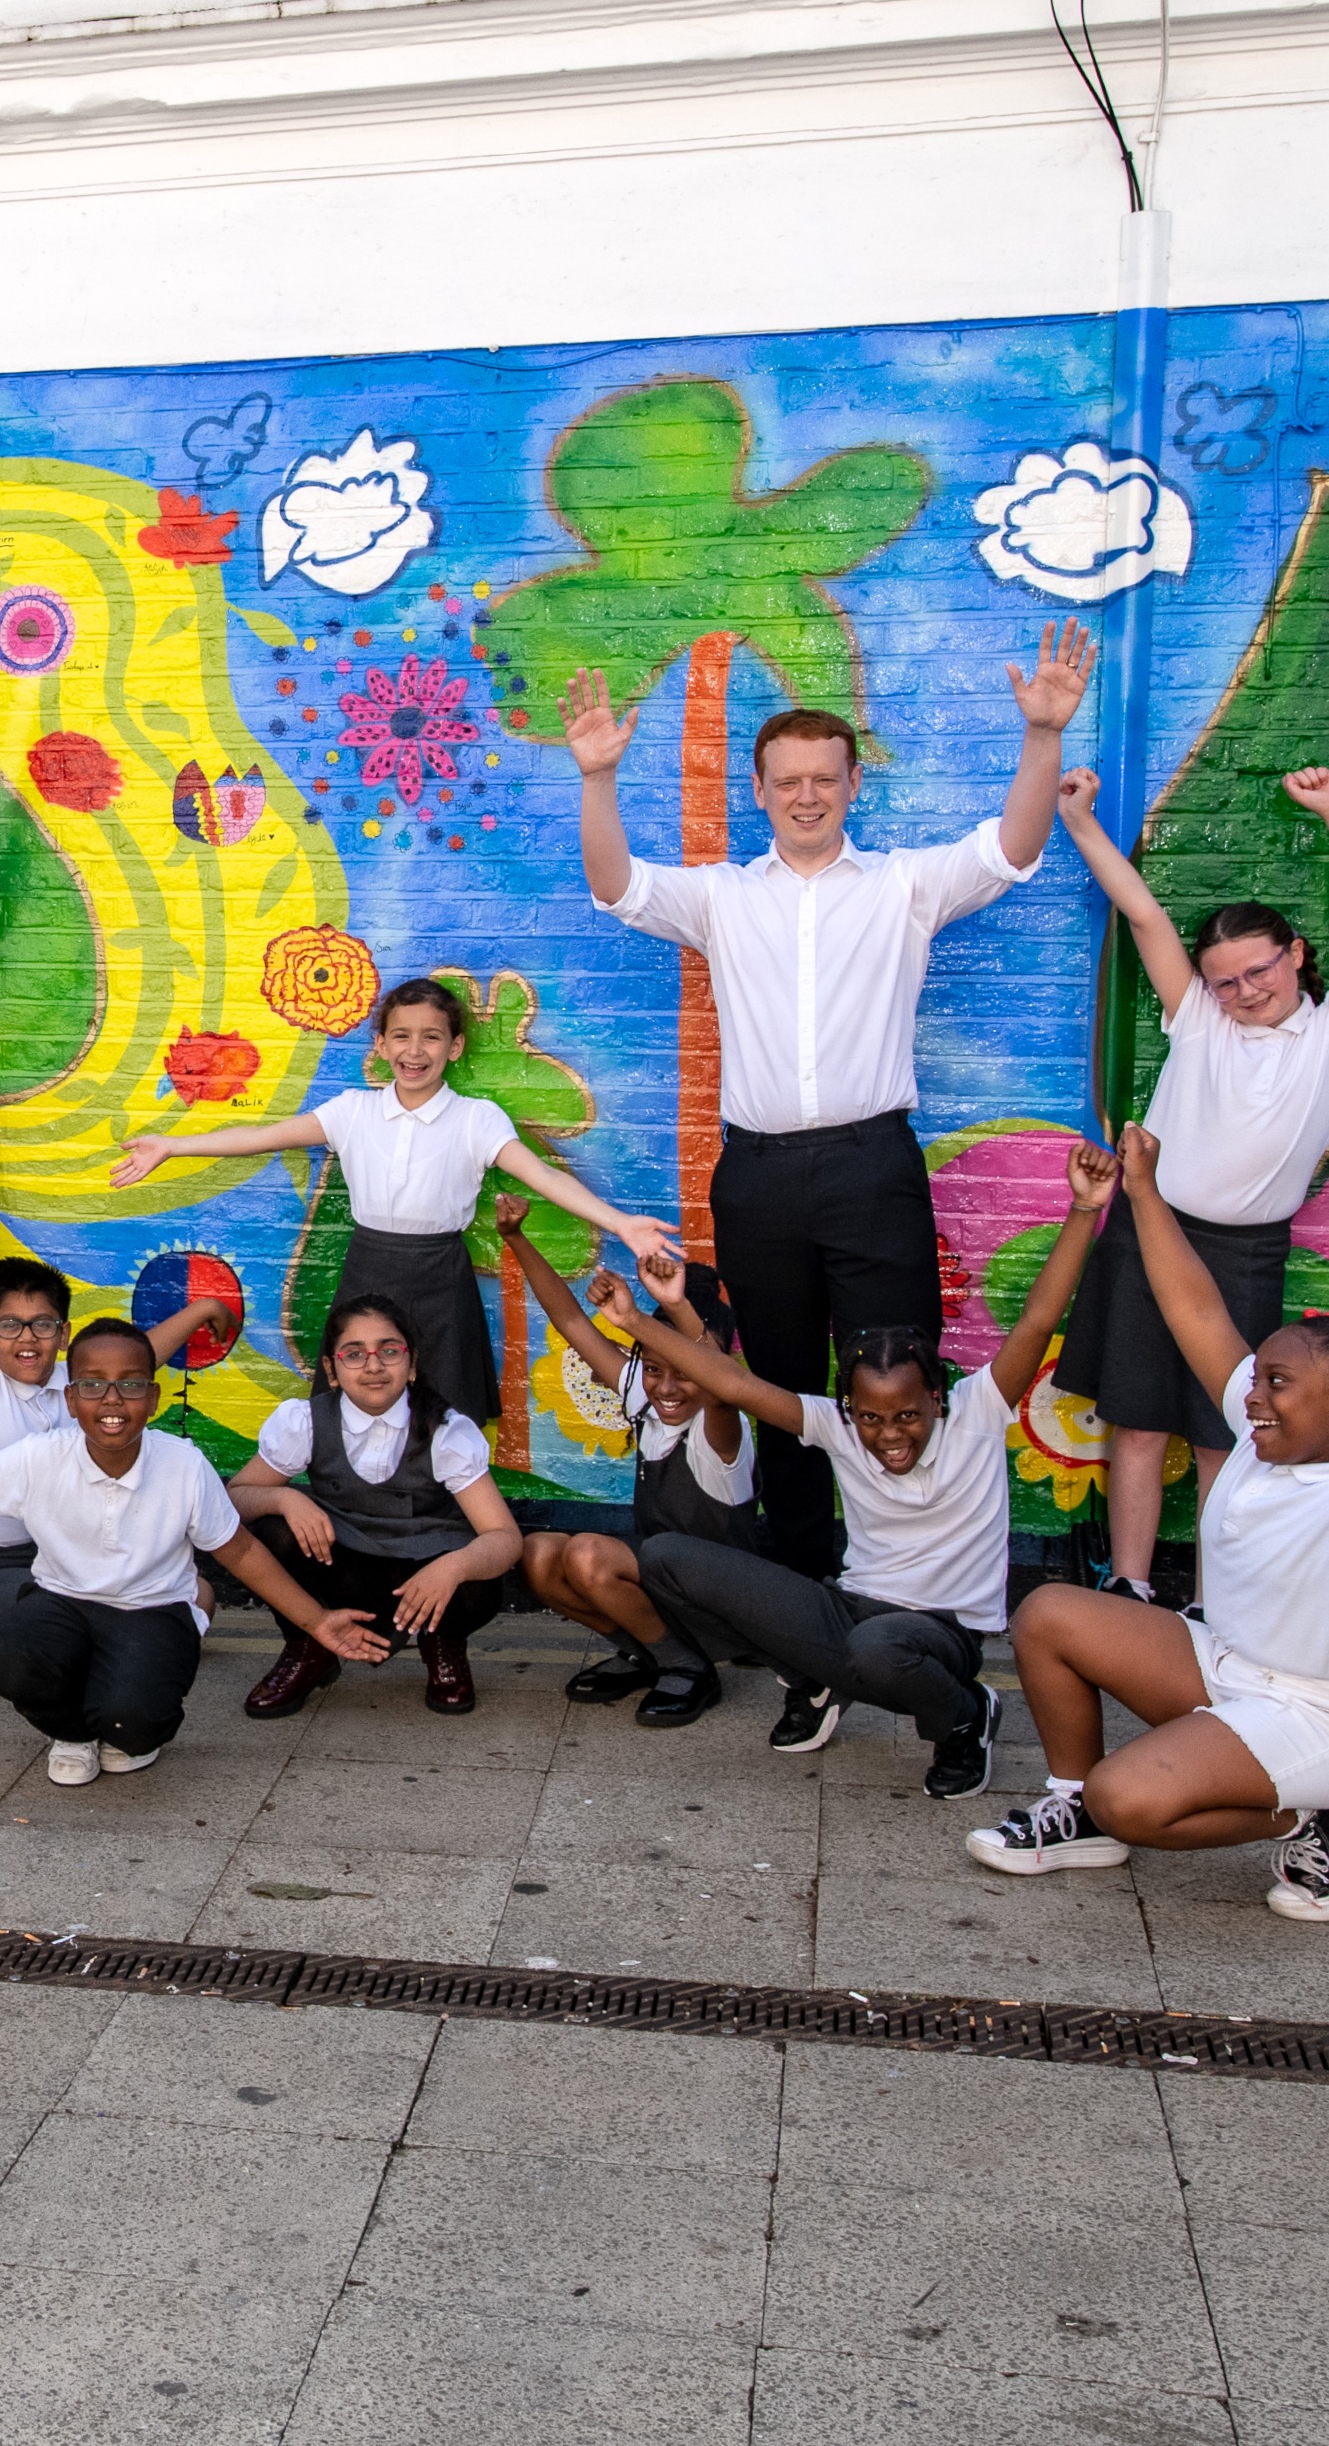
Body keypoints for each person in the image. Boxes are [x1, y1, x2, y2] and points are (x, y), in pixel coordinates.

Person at [564, 623, 1090, 1577]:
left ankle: (916, 1576)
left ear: (853, 786)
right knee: (777, 1385)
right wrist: (598, 777)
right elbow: (616, 887)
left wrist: (1043, 734)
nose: (806, 794)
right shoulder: (722, 896)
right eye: (787, 780)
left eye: (825, 777)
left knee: (898, 1374)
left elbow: (1011, 849)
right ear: (759, 791)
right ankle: (803, 1579)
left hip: (871, 1166)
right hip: (756, 1177)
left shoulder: (902, 885)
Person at [968, 1127, 1329, 1921]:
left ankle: (1317, 1813)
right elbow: (1194, 1305)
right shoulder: (1266, 1435)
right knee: (1047, 1614)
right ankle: (1074, 1811)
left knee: (1132, 1798)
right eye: (1257, 1378)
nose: (1253, 1394)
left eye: (1277, 1383)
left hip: (1325, 1716)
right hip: (1229, 1666)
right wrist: (1143, 1189)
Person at [603, 1138, 1119, 1801]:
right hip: (853, 1609)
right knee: (670, 1556)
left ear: (935, 1396)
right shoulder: (837, 1426)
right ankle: (818, 1679)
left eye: (905, 1415)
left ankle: (963, 1717)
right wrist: (636, 1321)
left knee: (878, 1649)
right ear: (850, 1407)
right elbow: (731, 1385)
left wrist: (1082, 1208)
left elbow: (1040, 1315)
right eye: (870, 1417)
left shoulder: (978, 1410)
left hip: (939, 1631)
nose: (887, 1435)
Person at [1048, 764, 1329, 1599]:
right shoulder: (1200, 1018)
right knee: (1134, 1421)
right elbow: (1140, 914)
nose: (1243, 992)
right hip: (1148, 1233)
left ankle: (1214, 1596)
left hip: (1242, 1254)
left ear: (1296, 954)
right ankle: (1127, 1586)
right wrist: (1081, 823)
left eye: (1259, 972)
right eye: (1225, 981)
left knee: (1225, 1431)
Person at [0, 1320, 386, 1787]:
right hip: (63, 1604)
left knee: (133, 1720)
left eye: (130, 1384)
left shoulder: (182, 1465)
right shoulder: (42, 1457)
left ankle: (139, 1710)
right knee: (11, 1650)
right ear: (71, 1399)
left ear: (151, 1398)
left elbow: (243, 1552)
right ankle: (70, 1732)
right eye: (93, 1384)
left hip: (152, 1610)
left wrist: (318, 1622)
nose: (112, 1399)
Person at [112, 975, 678, 1421]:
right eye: (401, 1036)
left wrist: (621, 1222)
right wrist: (172, 1145)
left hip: (441, 1273)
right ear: (381, 1046)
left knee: (441, 1409)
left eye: (431, 1037)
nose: (415, 1051)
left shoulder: (476, 1119)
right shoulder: (352, 1111)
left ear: (454, 1048)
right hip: (368, 1269)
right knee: (354, 1401)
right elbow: (260, 1136)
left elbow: (545, 1177)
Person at [0, 1159, 212, 1655]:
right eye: (9, 1326)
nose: (27, 1339)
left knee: (197, 1593)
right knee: (50, 1620)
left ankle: (126, 1656)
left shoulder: (79, 1386)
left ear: (64, 1334)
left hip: (63, 1560)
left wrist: (203, 1309)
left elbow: (139, 1355)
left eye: (43, 1325)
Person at [226, 1293, 535, 1717]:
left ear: (410, 1365)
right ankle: (308, 1646)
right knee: (269, 1532)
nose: (373, 1366)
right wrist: (284, 1497)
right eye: (354, 1354)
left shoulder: (446, 1430)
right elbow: (233, 1502)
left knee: (479, 1578)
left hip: (425, 1576)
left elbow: (505, 1538)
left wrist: (453, 1569)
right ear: (332, 1371)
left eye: (389, 1351)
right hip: (349, 1571)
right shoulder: (305, 1421)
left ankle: (443, 1643)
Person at [500, 1218, 752, 1727]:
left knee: (590, 1554)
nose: (667, 1387)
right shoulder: (648, 1401)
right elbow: (572, 1323)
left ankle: (689, 1666)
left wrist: (674, 1307)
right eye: (654, 1369)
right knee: (539, 1554)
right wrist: (517, 1238)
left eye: (686, 1373)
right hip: (665, 1590)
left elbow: (722, 1383)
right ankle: (648, 1653)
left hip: (722, 1605)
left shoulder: (724, 1425)